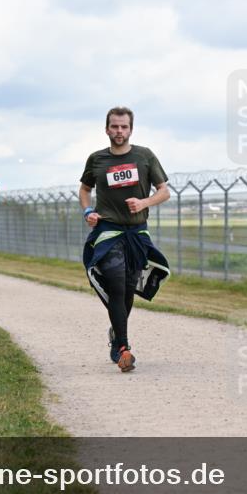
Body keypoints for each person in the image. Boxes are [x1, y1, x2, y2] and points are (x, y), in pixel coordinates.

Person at [80, 106, 171, 372]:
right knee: (116, 283)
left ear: (131, 129)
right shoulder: (96, 159)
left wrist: (144, 201)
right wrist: (88, 211)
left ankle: (116, 333)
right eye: (114, 126)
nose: (119, 131)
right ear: (106, 128)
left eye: (124, 127)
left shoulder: (144, 156)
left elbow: (164, 191)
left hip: (137, 232)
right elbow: (85, 189)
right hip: (108, 231)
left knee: (129, 287)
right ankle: (123, 346)